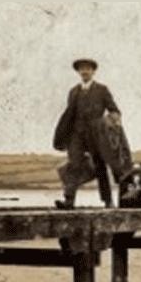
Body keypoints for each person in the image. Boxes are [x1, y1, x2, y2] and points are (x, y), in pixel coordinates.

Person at [53, 58, 124, 209]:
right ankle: (69, 201)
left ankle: (108, 201)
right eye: (81, 69)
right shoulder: (73, 92)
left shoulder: (102, 90)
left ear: (93, 71)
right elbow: (70, 115)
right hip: (77, 135)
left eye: (87, 69)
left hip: (97, 135)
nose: (84, 72)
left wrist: (113, 121)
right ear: (78, 72)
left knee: (100, 167)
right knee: (74, 166)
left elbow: (114, 110)